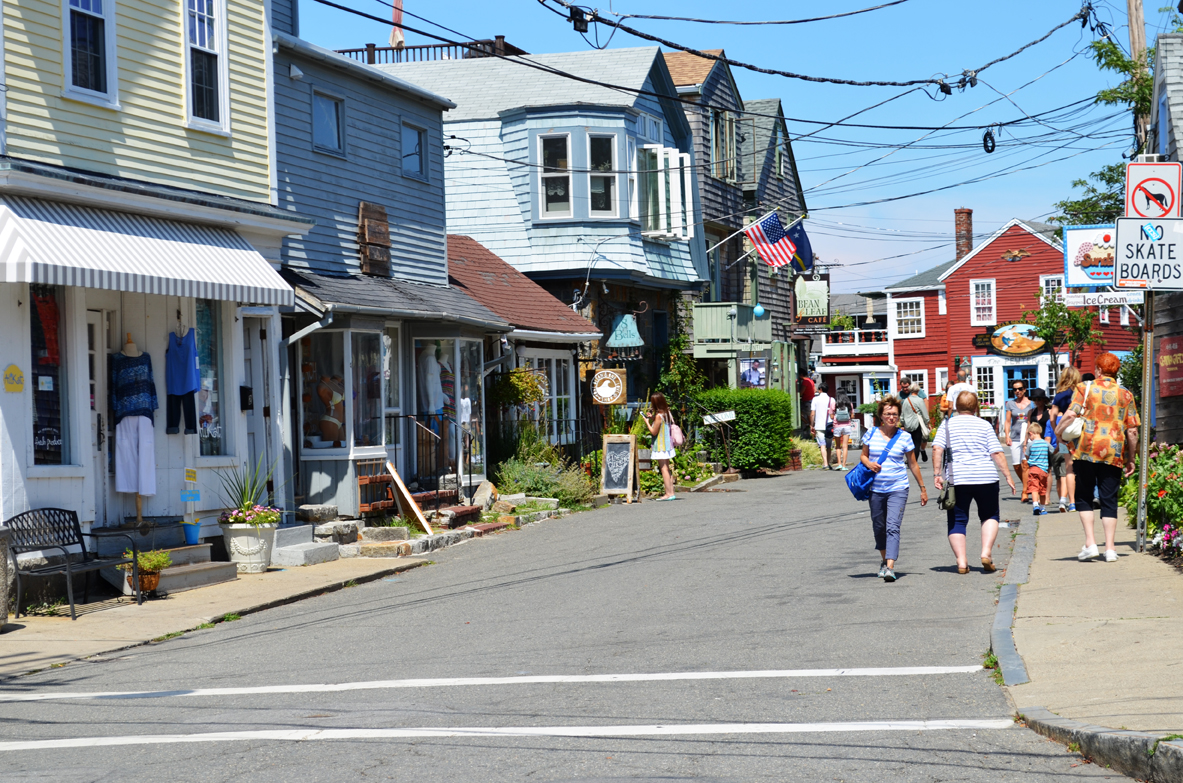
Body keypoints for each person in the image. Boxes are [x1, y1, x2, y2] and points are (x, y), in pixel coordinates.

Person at [1056, 353, 1140, 562]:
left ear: (1099, 370)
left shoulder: (1085, 388)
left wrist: (1058, 432)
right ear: (1116, 371)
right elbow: (1132, 431)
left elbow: (1071, 414)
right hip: (1114, 453)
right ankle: (1110, 549)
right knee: (1109, 499)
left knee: (1084, 496)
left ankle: (1091, 543)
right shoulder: (1126, 395)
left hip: (1086, 451)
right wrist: (1131, 457)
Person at [932, 390, 1017, 574]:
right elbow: (997, 453)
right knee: (989, 515)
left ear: (956, 406)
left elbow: (937, 449)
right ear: (976, 406)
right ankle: (986, 553)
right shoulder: (984, 425)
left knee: (957, 520)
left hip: (957, 479)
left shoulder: (946, 425)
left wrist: (937, 473)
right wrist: (1008, 476)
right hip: (985, 477)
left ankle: (962, 562)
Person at [861, 397, 928, 582]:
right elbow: (863, 456)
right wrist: (869, 464)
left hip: (898, 488)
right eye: (888, 414)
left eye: (895, 414)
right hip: (875, 489)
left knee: (892, 526)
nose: (892, 417)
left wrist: (922, 488)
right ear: (881, 416)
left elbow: (913, 464)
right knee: (879, 526)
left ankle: (890, 566)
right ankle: (884, 560)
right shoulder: (871, 433)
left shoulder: (905, 437)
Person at [1049, 365, 1083, 513]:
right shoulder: (1081, 393)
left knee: (1069, 468)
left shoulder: (1059, 395)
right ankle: (1082, 498)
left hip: (1064, 435)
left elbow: (1052, 416)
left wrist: (1057, 433)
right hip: (1081, 433)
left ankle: (1072, 503)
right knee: (1082, 467)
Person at [642, 392, 678, 501]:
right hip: (667, 445)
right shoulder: (666, 413)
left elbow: (653, 431)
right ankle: (671, 492)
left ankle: (668, 493)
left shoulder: (659, 416)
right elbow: (661, 424)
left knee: (664, 469)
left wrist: (647, 422)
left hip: (661, 446)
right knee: (667, 468)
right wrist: (652, 418)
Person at [1003, 381, 1033, 502]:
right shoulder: (1011, 404)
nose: (1017, 391)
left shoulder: (1031, 404)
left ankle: (1025, 491)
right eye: (1015, 389)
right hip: (1015, 436)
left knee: (1025, 464)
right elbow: (1008, 421)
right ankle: (1030, 484)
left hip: (1028, 436)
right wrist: (1007, 435)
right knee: (1016, 465)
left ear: (1025, 389)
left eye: (1020, 389)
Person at [1022, 420, 1051, 515]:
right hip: (1044, 470)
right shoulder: (1045, 443)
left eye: (1029, 436)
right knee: (1042, 489)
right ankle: (1042, 508)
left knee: (1034, 487)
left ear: (1031, 433)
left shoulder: (1030, 444)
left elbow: (1027, 456)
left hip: (1033, 469)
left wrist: (1027, 454)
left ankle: (1035, 505)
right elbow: (1052, 450)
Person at [900, 382, 930, 463]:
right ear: (918, 390)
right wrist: (927, 423)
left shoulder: (906, 400)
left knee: (909, 444)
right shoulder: (920, 400)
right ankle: (913, 463)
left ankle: (909, 460)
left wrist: (902, 423)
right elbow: (924, 413)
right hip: (917, 424)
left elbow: (902, 414)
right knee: (916, 444)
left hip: (907, 425)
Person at [810, 382, 833, 470]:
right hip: (829, 425)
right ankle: (828, 463)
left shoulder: (815, 399)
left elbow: (812, 414)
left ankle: (825, 464)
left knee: (822, 445)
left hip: (819, 425)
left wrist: (812, 425)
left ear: (820, 390)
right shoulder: (832, 399)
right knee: (829, 446)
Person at [832, 391, 855, 470]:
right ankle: (844, 465)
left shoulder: (835, 404)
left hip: (837, 426)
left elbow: (831, 415)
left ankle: (839, 464)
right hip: (847, 426)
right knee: (845, 446)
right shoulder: (849, 404)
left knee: (838, 446)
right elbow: (852, 416)